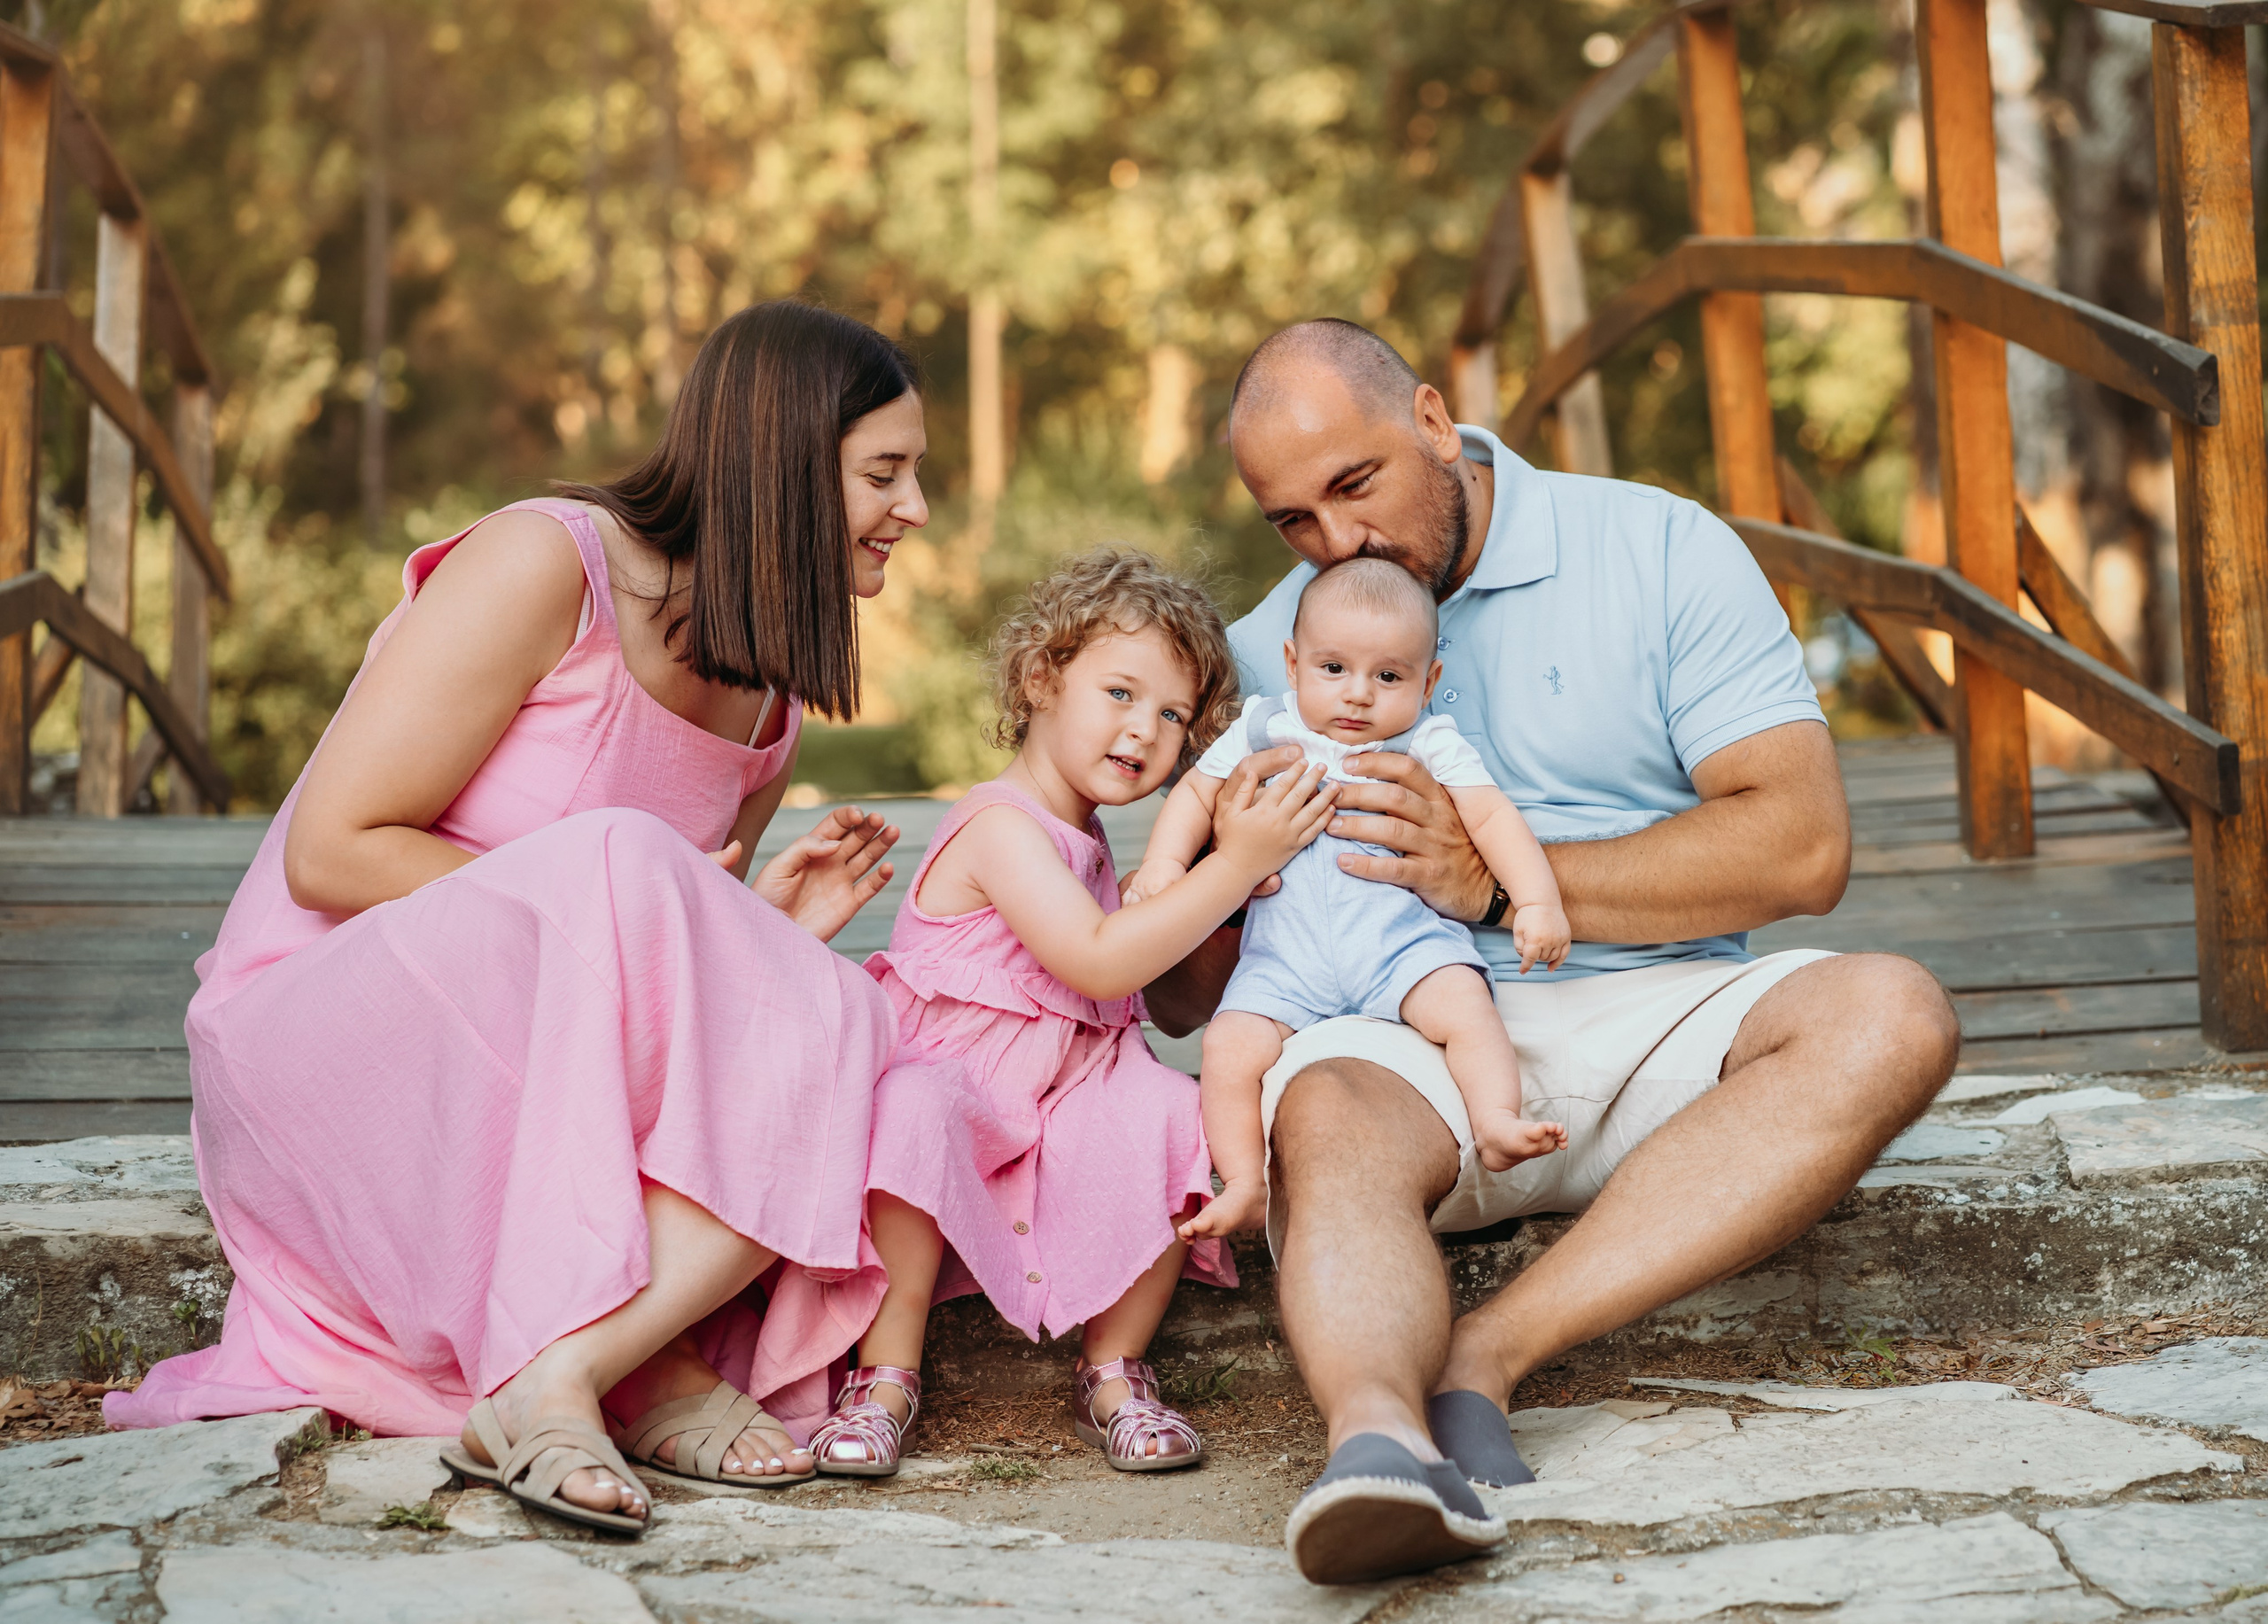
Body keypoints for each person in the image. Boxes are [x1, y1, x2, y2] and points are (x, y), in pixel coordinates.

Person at [1140, 320, 1962, 1584]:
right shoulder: (1269, 651)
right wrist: (1180, 836)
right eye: (1291, 522)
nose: (1336, 545)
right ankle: (1376, 1447)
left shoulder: (1660, 544)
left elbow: (1803, 848)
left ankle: (1491, 1357)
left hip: (1658, 1011)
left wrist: (1494, 885)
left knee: (1893, 1013)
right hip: (1396, 1044)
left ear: (1429, 418)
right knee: (1320, 1107)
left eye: (1354, 487)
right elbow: (1186, 997)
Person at [107, 302, 940, 1539]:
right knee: (618, 858)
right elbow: (333, 851)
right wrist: (620, 911)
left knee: (860, 1014)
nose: (915, 509)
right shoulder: (551, 563)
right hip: (332, 1028)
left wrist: (747, 929)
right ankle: (632, 1369)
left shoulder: (766, 712)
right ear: (780, 460)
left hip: (539, 1062)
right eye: (885, 473)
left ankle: (571, 1370)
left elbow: (654, 957)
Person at [808, 548, 1335, 1477]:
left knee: (1167, 1107)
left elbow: (1164, 1009)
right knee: (911, 1112)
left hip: (1057, 1097)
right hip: (963, 1090)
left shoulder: (1089, 842)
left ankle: (1115, 1371)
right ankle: (884, 1377)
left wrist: (1210, 901)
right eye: (1122, 694)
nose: (1146, 731)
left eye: (1173, 716)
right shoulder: (1001, 826)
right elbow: (1094, 962)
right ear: (1041, 677)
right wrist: (1233, 865)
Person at [1130, 556, 1569, 1247]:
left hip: (1400, 949)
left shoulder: (1428, 741)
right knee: (1228, 1045)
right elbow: (1194, 794)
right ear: (1293, 662)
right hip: (1285, 960)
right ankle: (1245, 1180)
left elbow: (1492, 818)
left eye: (1389, 676)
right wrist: (1163, 864)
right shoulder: (1263, 728)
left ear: (1428, 683)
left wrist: (1536, 901)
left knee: (1466, 1008)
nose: (1359, 694)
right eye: (1333, 669)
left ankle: (1495, 1121)